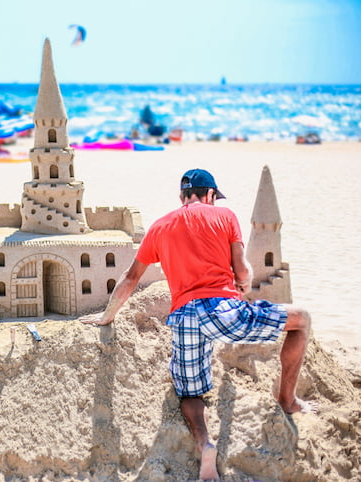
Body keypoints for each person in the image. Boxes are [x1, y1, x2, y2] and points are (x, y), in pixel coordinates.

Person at [80, 168, 316, 481]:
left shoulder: (159, 227)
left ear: (182, 197)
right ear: (209, 194)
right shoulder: (225, 216)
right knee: (300, 320)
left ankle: (205, 444)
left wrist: (106, 316)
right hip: (223, 310)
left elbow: (130, 277)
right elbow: (243, 270)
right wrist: (243, 286)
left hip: (185, 318)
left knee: (191, 393)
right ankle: (287, 400)